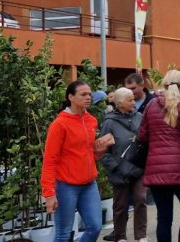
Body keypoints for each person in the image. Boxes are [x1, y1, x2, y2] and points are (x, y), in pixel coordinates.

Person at [41, 80, 111, 242]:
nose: (88, 97)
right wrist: (49, 193)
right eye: (83, 94)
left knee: (95, 227)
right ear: (71, 97)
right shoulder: (59, 124)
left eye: (89, 94)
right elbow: (50, 160)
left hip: (88, 183)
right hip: (65, 185)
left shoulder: (91, 120)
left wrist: (99, 151)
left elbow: (88, 154)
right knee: (63, 234)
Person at [138, 70, 180, 242]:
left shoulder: (151, 106)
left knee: (164, 217)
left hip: (156, 170)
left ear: (164, 85)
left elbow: (142, 136)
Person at [99, 88, 147, 242]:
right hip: (119, 170)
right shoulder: (109, 122)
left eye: (133, 99)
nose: (134, 102)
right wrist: (115, 166)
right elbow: (102, 151)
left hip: (138, 168)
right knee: (120, 206)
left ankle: (141, 236)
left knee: (140, 199)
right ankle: (120, 236)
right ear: (119, 103)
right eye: (130, 100)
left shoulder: (139, 116)